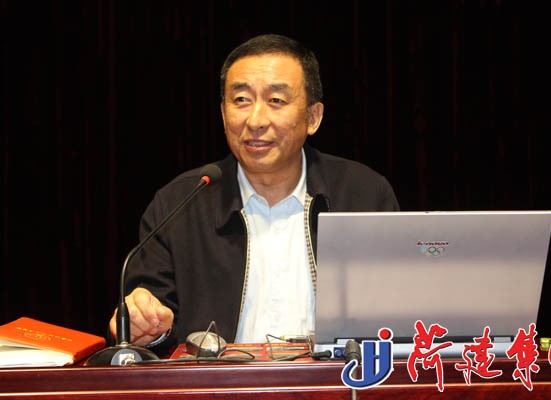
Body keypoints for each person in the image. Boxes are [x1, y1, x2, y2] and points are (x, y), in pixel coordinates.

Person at [108, 33, 400, 353]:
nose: (256, 120)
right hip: (218, 380)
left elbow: (397, 316)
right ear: (223, 114)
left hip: (335, 378)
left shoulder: (363, 195)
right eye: (241, 100)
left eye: (276, 101)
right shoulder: (180, 203)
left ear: (313, 117)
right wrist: (147, 326)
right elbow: (151, 331)